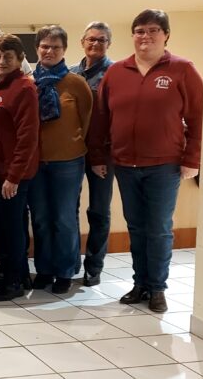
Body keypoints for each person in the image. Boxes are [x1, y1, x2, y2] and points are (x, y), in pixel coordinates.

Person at [88, 9, 203, 313]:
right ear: (132, 36)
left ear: (166, 35)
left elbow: (199, 118)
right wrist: (98, 156)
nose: (145, 36)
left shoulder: (182, 69)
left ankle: (157, 288)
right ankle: (140, 283)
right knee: (136, 228)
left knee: (159, 228)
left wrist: (193, 159)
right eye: (140, 30)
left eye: (153, 30)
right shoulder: (116, 72)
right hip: (125, 165)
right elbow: (100, 118)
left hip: (164, 165)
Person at [27, 25, 93, 295]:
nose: (49, 51)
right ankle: (44, 269)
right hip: (36, 163)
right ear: (37, 49)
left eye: (55, 47)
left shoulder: (76, 83)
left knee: (64, 218)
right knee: (41, 218)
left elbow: (87, 120)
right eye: (44, 46)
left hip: (68, 162)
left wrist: (70, 142)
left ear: (64, 50)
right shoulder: (28, 83)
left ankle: (65, 272)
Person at [0, 34, 40, 301]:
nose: (1, 61)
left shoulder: (24, 88)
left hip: (11, 175)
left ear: (20, 59)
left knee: (12, 229)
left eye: (8, 57)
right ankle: (18, 274)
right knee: (0, 226)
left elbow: (28, 136)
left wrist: (13, 176)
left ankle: (14, 283)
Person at [69, 21, 115, 287]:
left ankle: (94, 266)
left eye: (101, 40)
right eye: (91, 39)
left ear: (109, 44)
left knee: (98, 210)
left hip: (103, 154)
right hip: (73, 152)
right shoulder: (71, 74)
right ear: (82, 42)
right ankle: (71, 262)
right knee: (69, 209)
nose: (95, 44)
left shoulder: (115, 74)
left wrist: (99, 154)